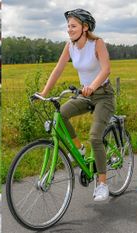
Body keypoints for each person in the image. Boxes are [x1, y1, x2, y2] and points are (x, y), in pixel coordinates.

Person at [39, 8, 115, 201]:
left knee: (95, 137)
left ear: (85, 27)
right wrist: (43, 93)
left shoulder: (97, 43)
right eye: (68, 26)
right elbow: (58, 69)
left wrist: (93, 86)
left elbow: (106, 69)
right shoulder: (70, 46)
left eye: (73, 26)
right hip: (84, 94)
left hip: (103, 95)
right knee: (61, 115)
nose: (69, 30)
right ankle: (78, 148)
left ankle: (102, 184)